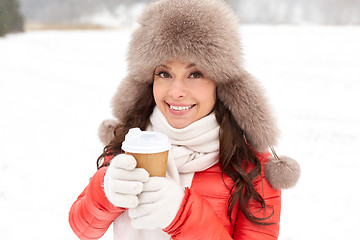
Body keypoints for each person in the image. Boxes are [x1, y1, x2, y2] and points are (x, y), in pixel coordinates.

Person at [69, 0, 300, 239]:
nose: (176, 91)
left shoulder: (253, 168)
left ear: (220, 84)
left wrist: (180, 215)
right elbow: (82, 228)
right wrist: (105, 191)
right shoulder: (131, 142)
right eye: (164, 73)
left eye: (195, 74)